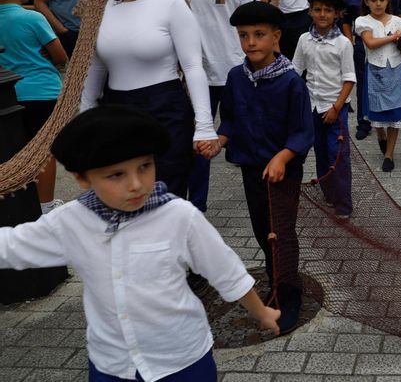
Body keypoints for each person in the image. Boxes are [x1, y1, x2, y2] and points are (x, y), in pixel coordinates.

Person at [0, 105, 280, 381]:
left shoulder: (179, 216)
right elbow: (11, 246)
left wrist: (261, 312)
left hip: (182, 360)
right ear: (82, 179)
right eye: (116, 175)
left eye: (145, 166)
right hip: (112, 364)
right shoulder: (70, 221)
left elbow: (226, 272)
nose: (136, 184)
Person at [80, 0, 217, 198]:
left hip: (165, 111)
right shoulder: (97, 4)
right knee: (121, 198)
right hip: (115, 113)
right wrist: (86, 120)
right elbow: (93, 67)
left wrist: (204, 127)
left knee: (165, 196)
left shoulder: (169, 2)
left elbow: (193, 66)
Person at [209, 0, 314, 334]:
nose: (251, 42)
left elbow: (302, 131)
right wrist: (219, 140)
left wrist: (283, 157)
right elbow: (231, 119)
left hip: (283, 171)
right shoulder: (236, 77)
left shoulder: (291, 82)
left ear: (276, 37)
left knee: (280, 232)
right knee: (260, 230)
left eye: (259, 34)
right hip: (251, 168)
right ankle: (275, 281)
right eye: (243, 35)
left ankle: (289, 293)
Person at [175, 0, 260, 212]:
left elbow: (254, 19)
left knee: (250, 138)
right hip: (198, 76)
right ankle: (196, 208)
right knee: (198, 141)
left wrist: (257, 63)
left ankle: (263, 196)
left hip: (236, 72)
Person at [0, 0, 68, 213]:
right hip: (41, 92)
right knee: (42, 153)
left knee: (14, 152)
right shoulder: (33, 18)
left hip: (6, 97)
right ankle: (45, 206)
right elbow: (60, 56)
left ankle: (21, 204)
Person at [292, 0, 355, 218]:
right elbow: (296, 70)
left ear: (336, 15)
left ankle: (343, 204)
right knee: (320, 152)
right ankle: (328, 194)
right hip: (312, 107)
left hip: (335, 107)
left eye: (328, 10)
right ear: (310, 12)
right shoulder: (304, 40)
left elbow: (349, 79)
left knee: (338, 155)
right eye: (317, 9)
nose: (322, 14)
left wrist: (336, 107)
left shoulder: (342, 44)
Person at [354, 0, 401, 172]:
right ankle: (380, 135)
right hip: (375, 69)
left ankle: (389, 154)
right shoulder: (362, 21)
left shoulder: (398, 21)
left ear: (388, 0)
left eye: (382, 0)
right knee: (377, 111)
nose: (378, 4)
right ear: (367, 2)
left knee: (396, 112)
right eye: (373, 0)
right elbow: (371, 43)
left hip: (397, 68)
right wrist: (394, 37)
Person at [343, 0, 385, 141]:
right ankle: (363, 123)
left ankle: (383, 118)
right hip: (360, 45)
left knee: (383, 81)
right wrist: (349, 39)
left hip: (384, 44)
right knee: (362, 84)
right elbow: (344, 20)